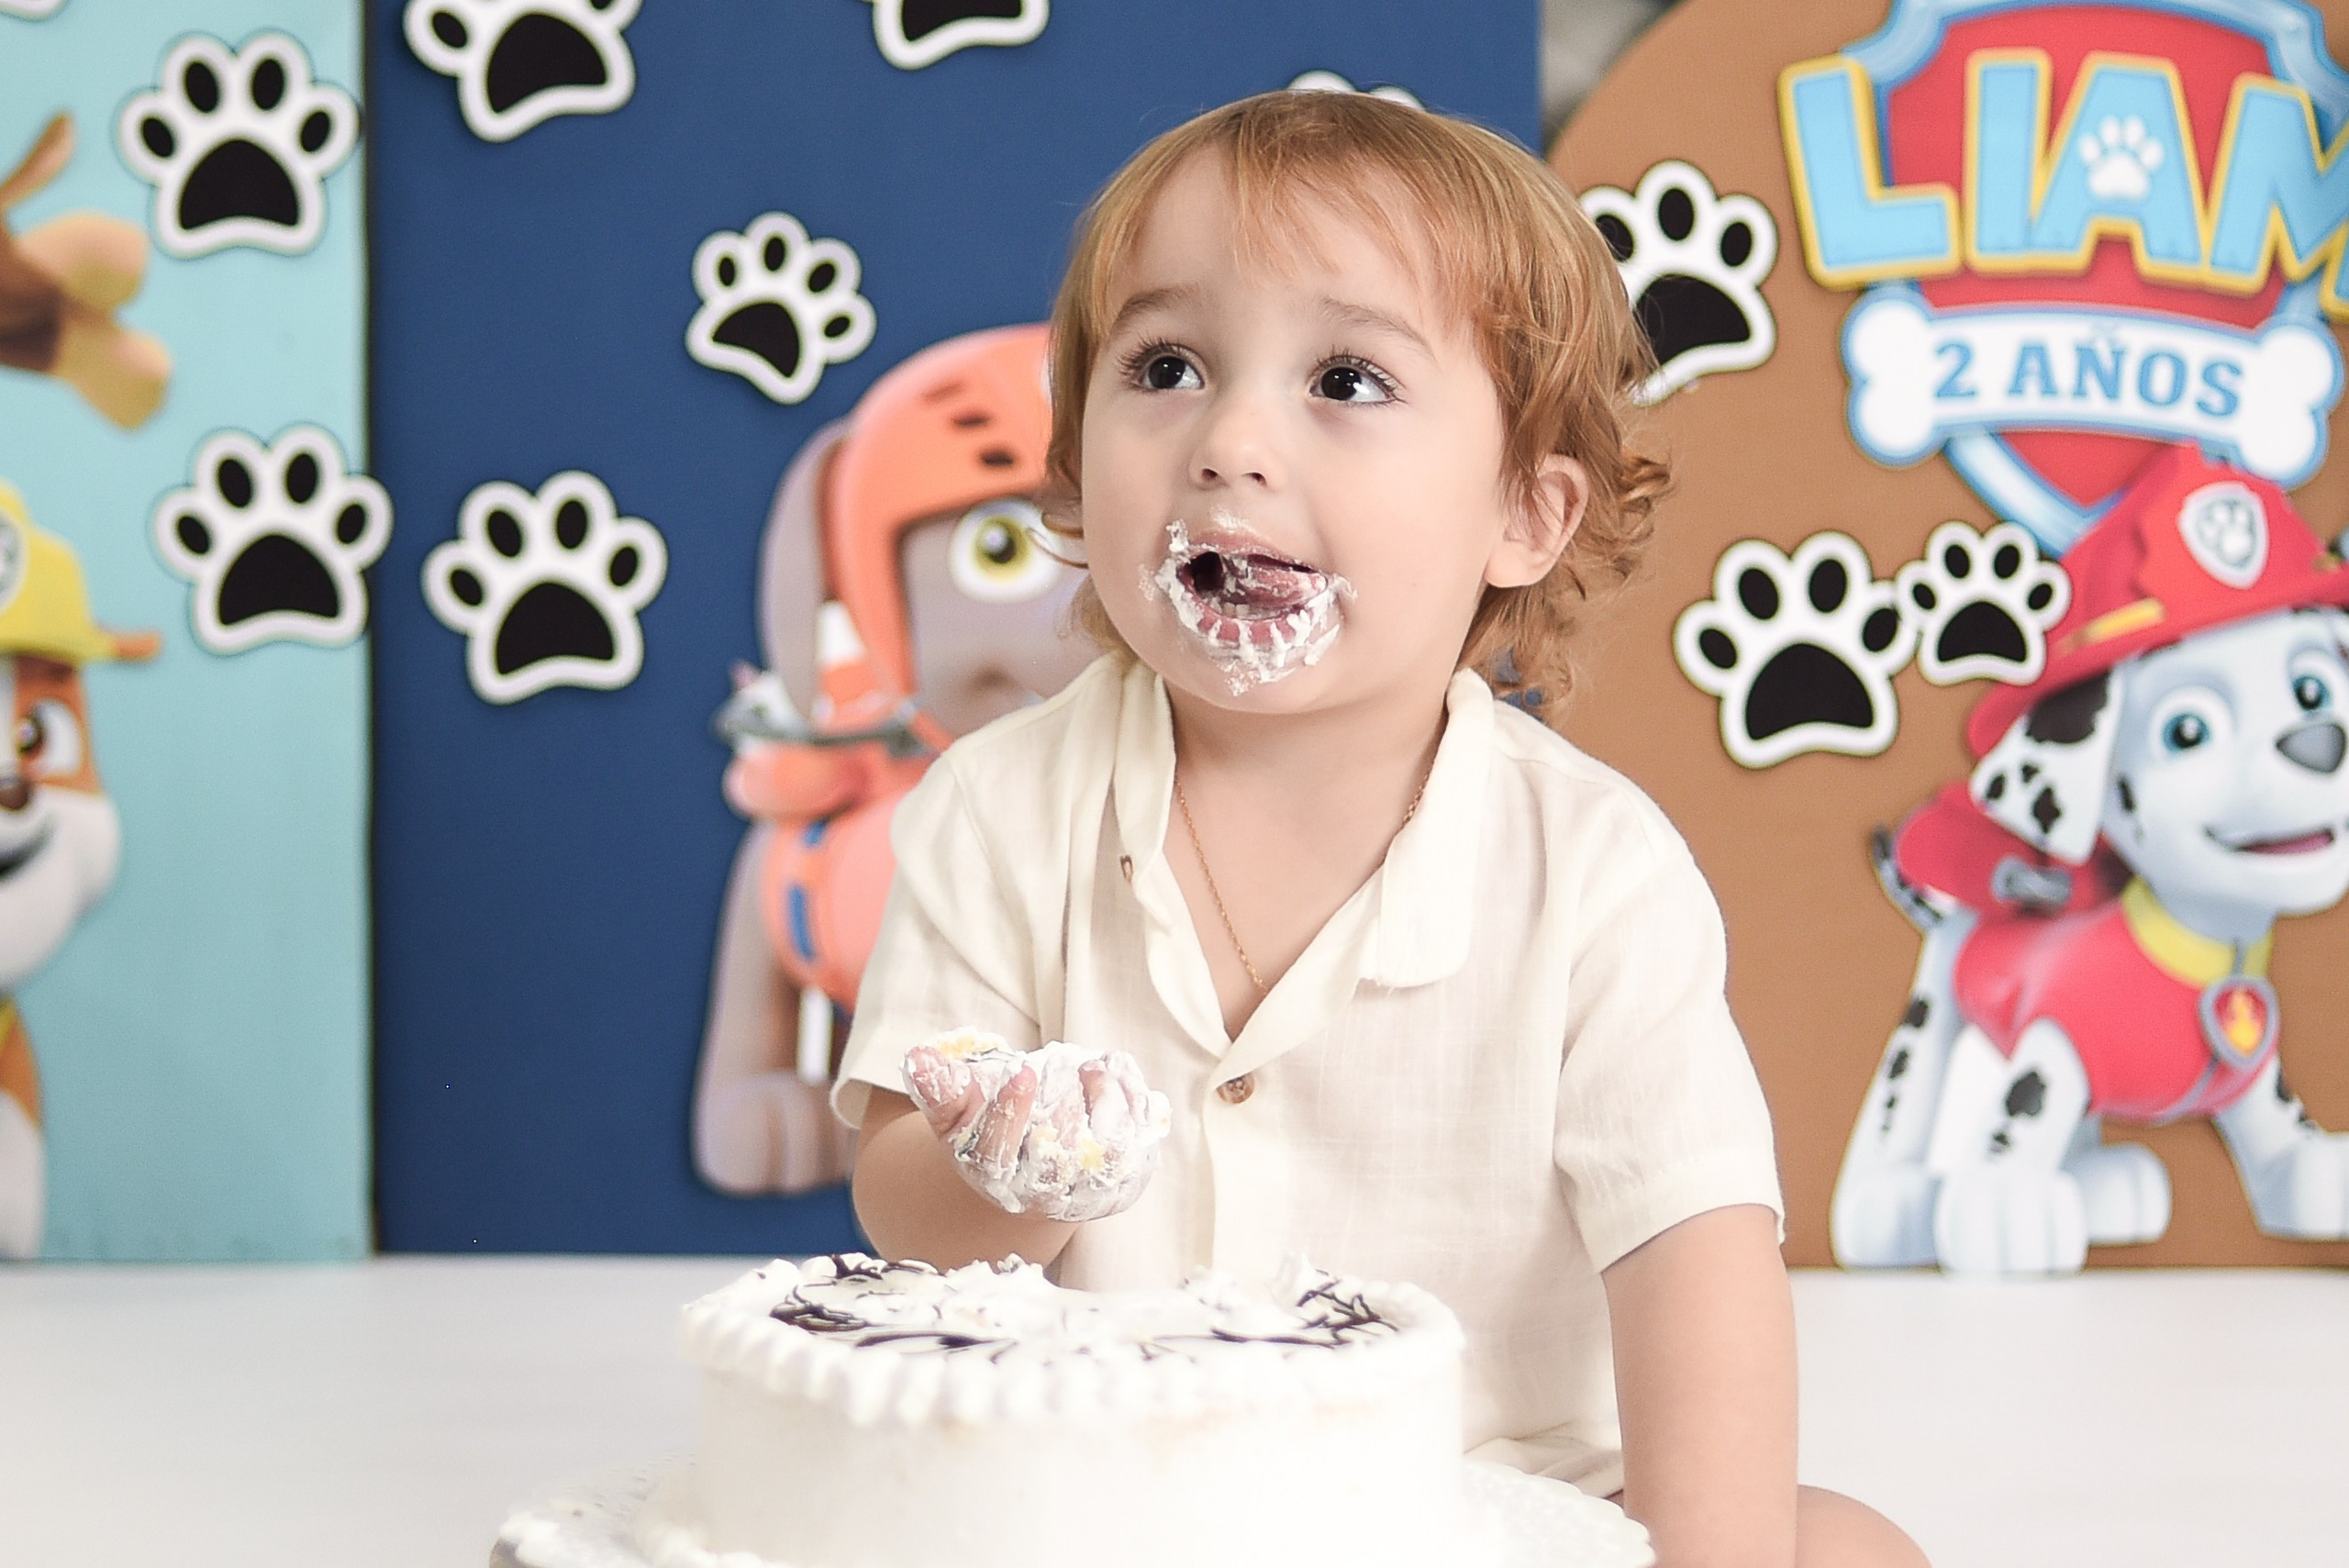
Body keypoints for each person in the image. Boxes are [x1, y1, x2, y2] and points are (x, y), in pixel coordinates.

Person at [834, 89, 1926, 1568]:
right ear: (1078, 472)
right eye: (1165, 366)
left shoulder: (1591, 868)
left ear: (1526, 517)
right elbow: (908, 1208)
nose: (1231, 440)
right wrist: (1007, 1171)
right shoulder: (999, 808)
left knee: (1845, 1543)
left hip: (1483, 1503)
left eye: (1345, 379)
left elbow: (1695, 1258)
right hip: (1095, 1498)